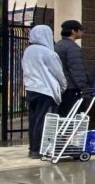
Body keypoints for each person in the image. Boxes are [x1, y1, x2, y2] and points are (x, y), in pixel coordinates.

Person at [22, 24, 67, 159]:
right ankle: (40, 149)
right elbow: (58, 73)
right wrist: (63, 87)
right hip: (46, 90)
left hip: (31, 89)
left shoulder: (28, 51)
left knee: (34, 119)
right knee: (44, 120)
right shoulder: (48, 53)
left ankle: (33, 148)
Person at [53, 19, 92, 116]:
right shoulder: (72, 48)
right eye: (80, 29)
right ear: (74, 31)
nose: (82, 32)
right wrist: (85, 88)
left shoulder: (57, 45)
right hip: (72, 88)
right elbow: (77, 70)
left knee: (63, 116)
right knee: (73, 116)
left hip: (60, 87)